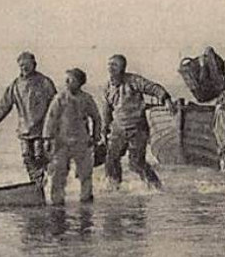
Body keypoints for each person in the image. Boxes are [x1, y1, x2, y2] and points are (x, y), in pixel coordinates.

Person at [101, 54, 174, 189]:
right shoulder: (107, 87)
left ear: (123, 68)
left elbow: (153, 88)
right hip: (119, 129)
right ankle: (114, 187)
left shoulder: (133, 80)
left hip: (137, 128)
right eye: (109, 65)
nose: (111, 68)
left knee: (136, 163)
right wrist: (104, 129)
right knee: (111, 160)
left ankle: (156, 187)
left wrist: (166, 99)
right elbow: (106, 111)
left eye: (115, 65)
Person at [0, 51, 58, 190]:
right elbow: (4, 106)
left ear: (34, 65)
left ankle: (45, 186)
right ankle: (36, 187)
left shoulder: (45, 83)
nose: (24, 69)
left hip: (42, 130)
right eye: (21, 66)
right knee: (27, 158)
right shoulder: (15, 85)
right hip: (24, 130)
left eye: (27, 65)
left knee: (41, 157)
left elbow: (56, 107)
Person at [42, 67, 103, 205]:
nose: (67, 82)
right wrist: (47, 139)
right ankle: (57, 201)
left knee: (85, 173)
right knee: (58, 173)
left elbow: (96, 118)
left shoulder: (87, 99)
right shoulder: (59, 99)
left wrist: (96, 136)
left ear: (79, 82)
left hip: (82, 142)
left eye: (70, 80)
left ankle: (86, 199)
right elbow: (50, 119)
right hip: (61, 142)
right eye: (66, 80)